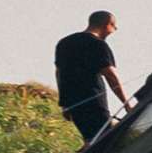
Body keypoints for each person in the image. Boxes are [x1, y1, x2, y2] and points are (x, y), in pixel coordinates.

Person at [55, 11, 129, 144]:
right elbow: (111, 75)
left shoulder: (64, 43)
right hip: (93, 101)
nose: (114, 30)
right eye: (114, 26)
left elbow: (59, 73)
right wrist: (127, 104)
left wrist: (64, 103)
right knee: (104, 140)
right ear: (107, 24)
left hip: (73, 103)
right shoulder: (98, 44)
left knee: (91, 138)